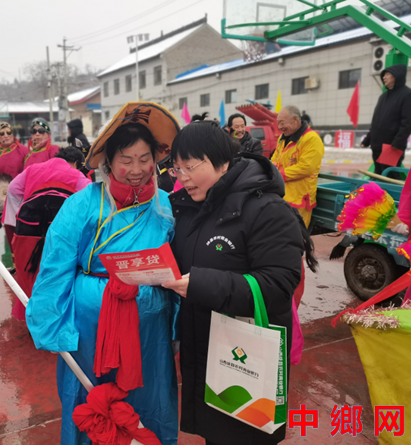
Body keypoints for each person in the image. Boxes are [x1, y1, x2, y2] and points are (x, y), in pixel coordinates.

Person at [26, 103, 181, 445]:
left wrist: (177, 326)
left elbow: (179, 269)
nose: (136, 170)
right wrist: (53, 327)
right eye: (126, 160)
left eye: (144, 159)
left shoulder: (166, 206)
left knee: (150, 395)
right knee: (89, 400)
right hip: (89, 331)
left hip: (149, 330)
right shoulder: (82, 204)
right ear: (109, 162)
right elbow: (55, 268)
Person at [161, 118, 306, 445]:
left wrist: (201, 284)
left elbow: (279, 284)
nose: (182, 177)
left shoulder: (266, 209)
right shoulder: (188, 207)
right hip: (204, 345)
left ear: (223, 162)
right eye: (176, 169)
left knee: (244, 430)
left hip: (245, 350)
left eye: (190, 167)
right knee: (216, 430)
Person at [3, 147, 91, 321]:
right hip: (60, 231)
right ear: (76, 163)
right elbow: (90, 201)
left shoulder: (32, 169)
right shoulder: (77, 176)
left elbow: (12, 189)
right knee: (58, 273)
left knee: (30, 270)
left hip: (29, 228)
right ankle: (55, 318)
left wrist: (19, 214)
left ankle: (32, 314)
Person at [271, 105, 324, 227]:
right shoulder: (282, 139)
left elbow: (306, 167)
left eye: (282, 123)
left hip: (299, 200)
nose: (279, 127)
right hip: (280, 196)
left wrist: (277, 175)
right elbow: (274, 160)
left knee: (296, 234)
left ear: (295, 120)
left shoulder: (311, 139)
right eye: (278, 123)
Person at [361, 64, 411, 176]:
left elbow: (407, 122)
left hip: (391, 146)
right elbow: (376, 122)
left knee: (390, 176)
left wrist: (398, 142)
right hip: (377, 144)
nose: (384, 77)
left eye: (388, 74)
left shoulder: (407, 94)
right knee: (378, 175)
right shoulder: (383, 96)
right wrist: (367, 140)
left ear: (397, 76)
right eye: (383, 75)